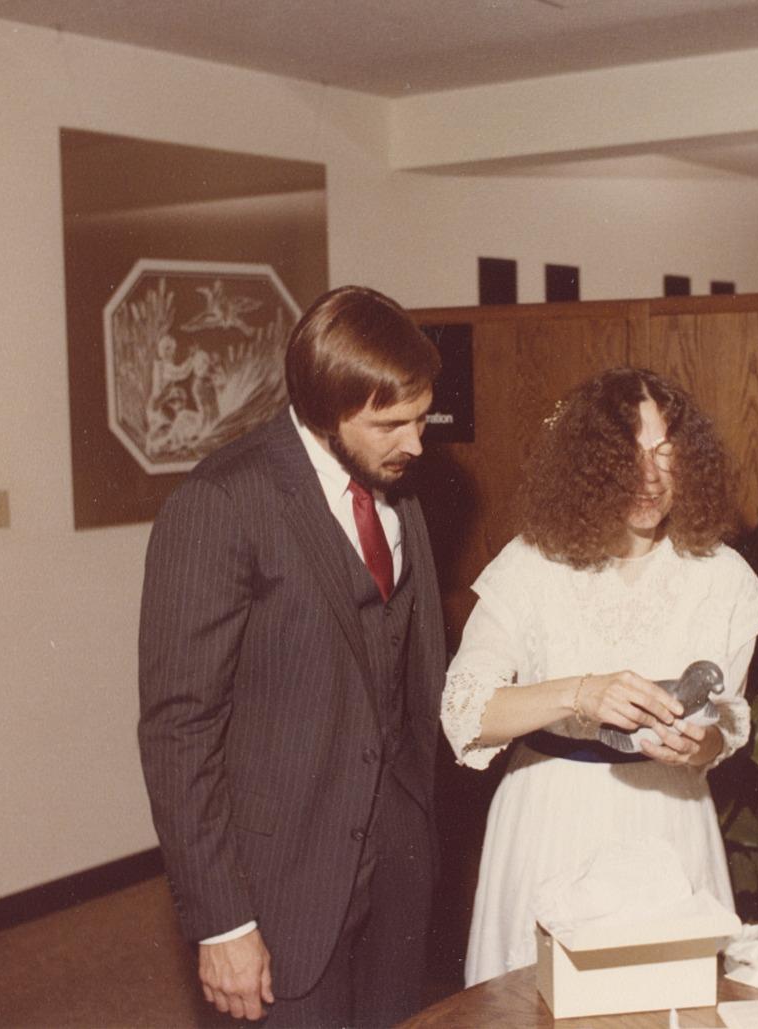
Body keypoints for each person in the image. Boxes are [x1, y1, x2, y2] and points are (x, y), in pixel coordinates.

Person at [138, 284, 448, 1026]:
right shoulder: (221, 503)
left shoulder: (396, 486)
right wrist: (222, 922)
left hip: (398, 862)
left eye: (420, 417)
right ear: (323, 409)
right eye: (390, 423)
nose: (415, 443)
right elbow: (178, 728)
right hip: (284, 884)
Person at [441, 366, 758, 986]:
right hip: (548, 822)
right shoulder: (530, 565)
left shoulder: (722, 577)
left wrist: (698, 744)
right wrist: (579, 693)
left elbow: (727, 724)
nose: (649, 478)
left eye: (665, 453)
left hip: (670, 825)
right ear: (589, 465)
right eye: (627, 456)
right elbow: (467, 711)